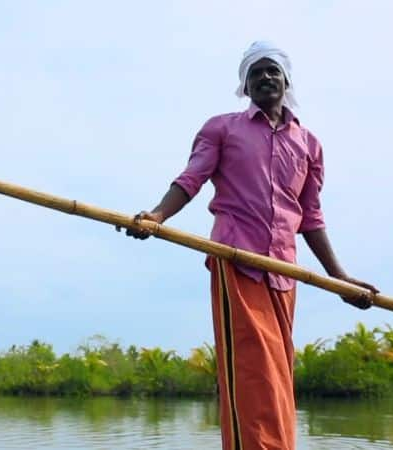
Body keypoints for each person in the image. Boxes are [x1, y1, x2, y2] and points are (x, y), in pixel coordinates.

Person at [122, 41, 379, 450]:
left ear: (286, 80)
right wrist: (157, 217)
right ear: (245, 84)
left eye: (272, 71)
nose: (264, 78)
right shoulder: (222, 128)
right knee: (251, 371)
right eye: (255, 73)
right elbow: (191, 179)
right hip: (236, 260)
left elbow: (309, 217)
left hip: (285, 273)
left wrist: (340, 279)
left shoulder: (309, 144)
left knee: (278, 374)